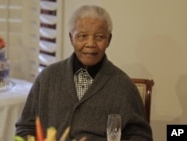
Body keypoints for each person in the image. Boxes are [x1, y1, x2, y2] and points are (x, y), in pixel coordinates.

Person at [15, 5, 153, 141]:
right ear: (71, 38)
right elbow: (25, 128)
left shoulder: (123, 86)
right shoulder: (47, 78)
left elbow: (141, 136)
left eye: (99, 37)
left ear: (109, 40)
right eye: (82, 36)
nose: (90, 44)